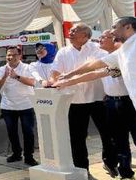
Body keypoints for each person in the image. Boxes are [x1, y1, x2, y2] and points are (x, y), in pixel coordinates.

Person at [55, 30, 135, 178]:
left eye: (105, 37)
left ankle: (115, 165)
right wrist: (67, 79)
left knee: (116, 137)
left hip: (124, 102)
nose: (100, 39)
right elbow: (95, 73)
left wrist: (69, 76)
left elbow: (94, 69)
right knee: (119, 139)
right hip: (105, 102)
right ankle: (124, 172)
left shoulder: (122, 54)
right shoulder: (111, 55)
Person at [49, 23, 117, 175]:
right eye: (71, 30)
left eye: (74, 31)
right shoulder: (64, 51)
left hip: (99, 99)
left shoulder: (98, 48)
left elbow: (94, 68)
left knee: (108, 134)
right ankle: (82, 170)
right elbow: (55, 71)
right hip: (75, 101)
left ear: (85, 35)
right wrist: (54, 82)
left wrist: (70, 77)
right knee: (77, 138)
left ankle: (110, 163)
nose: (70, 32)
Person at [58, 17, 136, 108]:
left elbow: (97, 72)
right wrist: (70, 75)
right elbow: (96, 66)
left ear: (128, 27)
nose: (112, 31)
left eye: (115, 27)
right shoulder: (122, 51)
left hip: (125, 101)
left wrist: (70, 77)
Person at [0, 46, 38, 166]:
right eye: (8, 55)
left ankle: (29, 156)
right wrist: (5, 76)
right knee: (12, 132)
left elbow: (32, 82)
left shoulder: (27, 67)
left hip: (26, 105)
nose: (10, 57)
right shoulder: (2, 69)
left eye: (14, 55)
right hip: (8, 106)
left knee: (28, 132)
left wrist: (16, 76)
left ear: (20, 56)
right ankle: (16, 154)